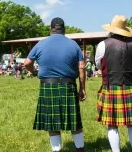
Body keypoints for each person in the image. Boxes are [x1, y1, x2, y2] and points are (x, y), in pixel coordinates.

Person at [24, 17, 86, 152]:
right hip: (68, 86)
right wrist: (82, 88)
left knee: (52, 123)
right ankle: (80, 149)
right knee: (74, 122)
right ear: (64, 29)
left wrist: (34, 71)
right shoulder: (73, 44)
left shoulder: (41, 44)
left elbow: (27, 63)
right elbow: (81, 67)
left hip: (48, 87)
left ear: (50, 29)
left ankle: (56, 150)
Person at [95, 15, 132, 152]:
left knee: (112, 124)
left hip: (111, 86)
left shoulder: (103, 44)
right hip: (130, 85)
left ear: (111, 29)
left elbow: (98, 64)